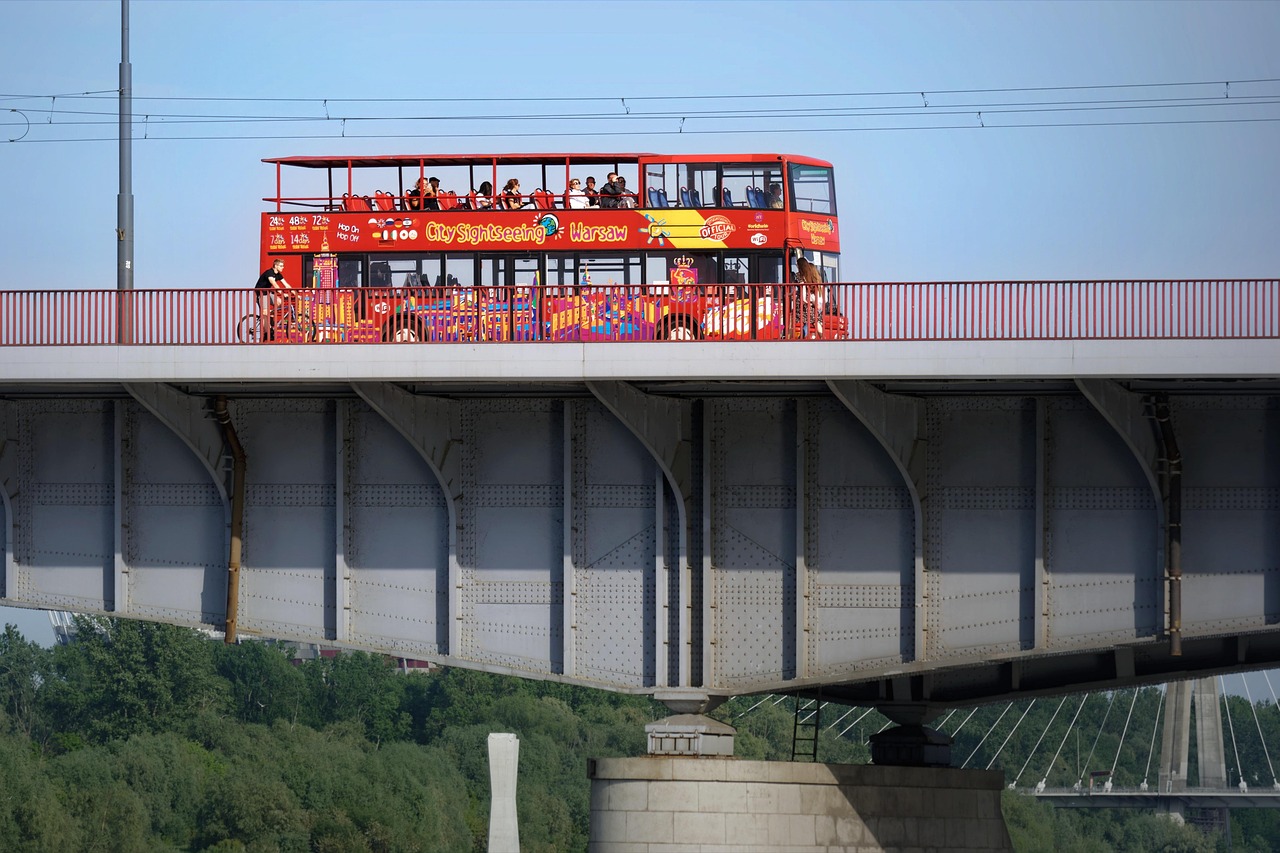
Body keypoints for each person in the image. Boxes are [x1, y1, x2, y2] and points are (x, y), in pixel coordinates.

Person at [254, 259, 292, 341]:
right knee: (265, 313)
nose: (283, 267)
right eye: (281, 266)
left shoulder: (278, 274)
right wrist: (282, 293)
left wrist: (296, 294)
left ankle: (270, 315)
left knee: (279, 302)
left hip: (268, 292)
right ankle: (266, 333)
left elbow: (286, 284)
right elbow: (274, 284)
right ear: (276, 266)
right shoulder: (269, 273)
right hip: (261, 293)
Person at [795, 254, 825, 340]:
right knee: (814, 320)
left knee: (796, 319)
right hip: (810, 300)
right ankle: (823, 337)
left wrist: (803, 298)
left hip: (803, 300)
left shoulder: (799, 276)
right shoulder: (810, 275)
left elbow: (802, 287)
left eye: (797, 264)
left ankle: (791, 337)